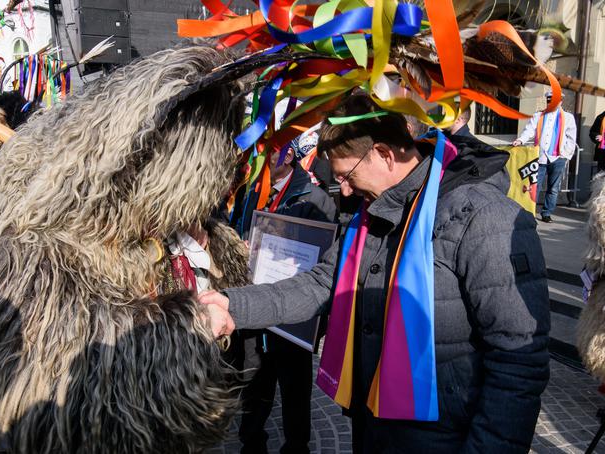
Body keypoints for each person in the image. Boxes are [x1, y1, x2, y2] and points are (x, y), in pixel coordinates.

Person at [203, 93, 550, 453]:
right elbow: (320, 284)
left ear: (384, 154)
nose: (346, 190)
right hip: (375, 428)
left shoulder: (485, 218)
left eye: (347, 176)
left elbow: (518, 362)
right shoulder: (370, 216)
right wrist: (231, 305)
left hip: (445, 438)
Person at [228, 145, 336, 454]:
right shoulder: (252, 193)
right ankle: (252, 443)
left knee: (295, 389)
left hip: (293, 316)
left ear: (287, 156)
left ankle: (296, 446)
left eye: (267, 154)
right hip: (254, 306)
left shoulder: (315, 199)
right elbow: (238, 228)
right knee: (253, 381)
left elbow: (324, 261)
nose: (258, 161)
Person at [513, 90, 576, 222]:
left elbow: (571, 137)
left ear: (560, 101)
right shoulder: (538, 115)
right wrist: (520, 140)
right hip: (540, 156)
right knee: (535, 185)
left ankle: (546, 213)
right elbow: (529, 130)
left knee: (553, 188)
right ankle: (530, 211)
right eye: (549, 100)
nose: (551, 103)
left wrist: (565, 155)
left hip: (557, 157)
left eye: (554, 100)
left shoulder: (568, 117)